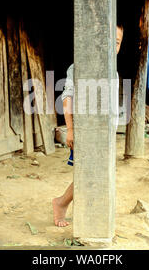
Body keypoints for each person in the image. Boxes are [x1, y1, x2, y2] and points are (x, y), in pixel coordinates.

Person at [52, 25, 124, 227]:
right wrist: (71, 129)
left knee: (98, 174)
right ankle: (61, 203)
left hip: (105, 133)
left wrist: (112, 132)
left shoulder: (113, 72)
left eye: (117, 43)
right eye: (108, 40)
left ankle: (68, 205)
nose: (112, 46)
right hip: (85, 131)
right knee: (87, 173)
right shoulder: (79, 67)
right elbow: (67, 97)